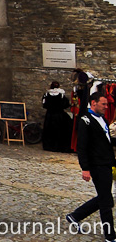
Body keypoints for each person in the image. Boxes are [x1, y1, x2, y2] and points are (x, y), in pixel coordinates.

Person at [66, 90, 116, 242]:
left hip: (107, 162)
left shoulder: (103, 120)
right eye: (104, 104)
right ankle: (110, 236)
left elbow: (106, 141)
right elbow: (82, 147)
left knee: (105, 198)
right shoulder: (85, 120)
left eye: (107, 104)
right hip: (96, 165)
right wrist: (85, 168)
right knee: (106, 201)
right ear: (94, 103)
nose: (107, 107)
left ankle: (75, 216)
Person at [43, 80, 74, 152]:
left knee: (50, 131)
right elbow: (66, 104)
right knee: (59, 131)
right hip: (59, 115)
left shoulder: (47, 94)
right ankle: (58, 146)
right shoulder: (61, 94)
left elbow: (44, 105)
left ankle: (49, 146)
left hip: (50, 115)